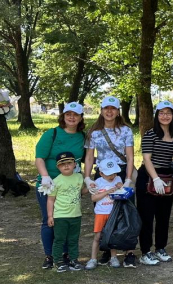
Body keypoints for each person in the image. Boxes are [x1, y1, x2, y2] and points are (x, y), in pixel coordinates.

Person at [82, 96, 137, 268]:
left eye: (113, 108)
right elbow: (90, 156)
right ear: (101, 110)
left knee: (126, 212)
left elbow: (129, 156)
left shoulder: (126, 130)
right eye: (106, 108)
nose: (109, 111)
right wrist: (87, 177)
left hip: (120, 172)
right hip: (102, 174)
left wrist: (128, 179)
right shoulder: (94, 132)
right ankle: (107, 247)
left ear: (118, 111)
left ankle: (128, 252)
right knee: (104, 210)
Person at [34, 102, 86, 270]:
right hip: (49, 184)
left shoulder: (82, 137)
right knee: (49, 220)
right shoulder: (52, 134)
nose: (72, 117)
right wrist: (45, 176)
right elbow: (39, 158)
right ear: (63, 116)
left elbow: (85, 158)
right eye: (68, 114)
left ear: (80, 118)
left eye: (76, 114)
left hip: (69, 184)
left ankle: (64, 255)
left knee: (67, 220)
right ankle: (50, 256)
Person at [136, 100, 173, 266]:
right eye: (161, 113)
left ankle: (160, 248)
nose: (165, 116)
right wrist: (155, 178)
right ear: (157, 115)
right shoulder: (150, 134)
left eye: (168, 113)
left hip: (167, 178)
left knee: (164, 217)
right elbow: (146, 159)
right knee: (147, 217)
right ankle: (146, 251)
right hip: (149, 177)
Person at [47, 151, 86, 272]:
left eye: (69, 163)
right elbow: (50, 200)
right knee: (59, 239)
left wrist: (90, 187)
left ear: (75, 164)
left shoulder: (79, 177)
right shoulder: (56, 181)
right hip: (61, 216)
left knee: (73, 239)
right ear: (58, 167)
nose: (66, 166)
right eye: (62, 164)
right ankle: (57, 261)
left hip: (76, 215)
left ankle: (73, 259)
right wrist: (50, 216)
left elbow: (81, 192)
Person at [85, 159, 123, 270]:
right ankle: (93, 259)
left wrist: (121, 187)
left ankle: (114, 257)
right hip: (101, 213)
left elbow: (122, 193)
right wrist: (107, 192)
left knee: (112, 236)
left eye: (114, 173)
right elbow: (94, 198)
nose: (113, 176)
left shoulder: (118, 179)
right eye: (109, 174)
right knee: (98, 236)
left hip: (113, 212)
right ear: (101, 173)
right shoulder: (98, 182)